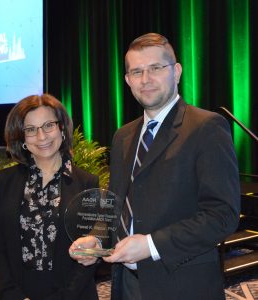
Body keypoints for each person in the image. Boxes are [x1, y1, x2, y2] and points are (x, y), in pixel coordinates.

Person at [69, 33, 240, 300]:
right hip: (126, 283)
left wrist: (150, 245)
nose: (145, 79)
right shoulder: (123, 136)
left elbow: (222, 215)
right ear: (127, 80)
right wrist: (97, 241)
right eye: (136, 71)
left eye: (155, 68)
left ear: (177, 72)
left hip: (182, 285)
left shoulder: (207, 127)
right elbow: (116, 206)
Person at [0, 94, 99, 300]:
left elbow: (91, 253)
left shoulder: (87, 183)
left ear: (62, 129)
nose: (42, 136)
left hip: (71, 295)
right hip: (15, 293)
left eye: (48, 125)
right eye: (30, 130)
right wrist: (11, 295)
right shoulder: (3, 181)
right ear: (22, 138)